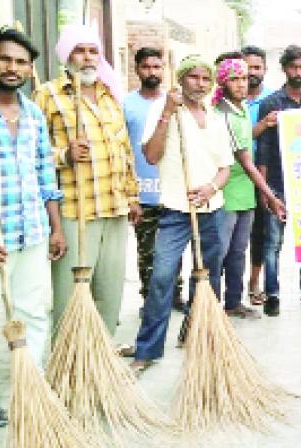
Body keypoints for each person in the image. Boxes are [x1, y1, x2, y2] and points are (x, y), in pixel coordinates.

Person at [0, 27, 66, 427]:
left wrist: (55, 226)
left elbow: (46, 172)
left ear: (30, 70)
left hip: (31, 230)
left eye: (21, 62)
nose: (12, 68)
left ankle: (32, 384)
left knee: (34, 311)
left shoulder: (33, 113)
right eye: (5, 59)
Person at [129, 55, 234, 374]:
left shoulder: (216, 117)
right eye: (194, 77)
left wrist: (210, 189)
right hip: (175, 209)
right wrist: (167, 113)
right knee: (161, 277)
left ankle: (197, 335)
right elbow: (150, 155)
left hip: (211, 209)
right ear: (182, 78)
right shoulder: (164, 111)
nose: (200, 84)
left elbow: (225, 167)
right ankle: (147, 349)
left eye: (206, 79)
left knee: (208, 278)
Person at [34, 24, 140, 336]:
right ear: (67, 56)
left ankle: (101, 363)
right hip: (74, 211)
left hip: (115, 208)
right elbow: (31, 152)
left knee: (110, 294)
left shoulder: (110, 95)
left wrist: (132, 196)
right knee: (70, 298)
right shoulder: (48, 95)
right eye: (80, 51)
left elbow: (124, 150)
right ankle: (68, 369)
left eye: (93, 51)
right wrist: (64, 155)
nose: (87, 57)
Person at [212, 56, 284, 319]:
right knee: (218, 254)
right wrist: (272, 196)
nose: (241, 84)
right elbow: (245, 160)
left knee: (238, 253)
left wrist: (263, 125)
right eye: (235, 79)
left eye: (244, 78)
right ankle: (209, 306)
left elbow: (245, 139)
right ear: (223, 81)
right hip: (227, 191)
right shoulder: (221, 113)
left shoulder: (240, 109)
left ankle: (233, 302)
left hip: (245, 191)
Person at [257, 45, 301, 316]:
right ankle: (272, 294)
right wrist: (265, 191)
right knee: (273, 242)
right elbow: (262, 149)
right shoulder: (271, 103)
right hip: (277, 182)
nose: (299, 73)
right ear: (284, 69)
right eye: (294, 67)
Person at [122, 47, 184, 311]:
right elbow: (122, 149)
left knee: (173, 251)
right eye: (146, 67)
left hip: (172, 191)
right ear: (137, 70)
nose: (152, 72)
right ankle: (151, 301)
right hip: (142, 193)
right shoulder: (126, 104)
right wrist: (129, 195)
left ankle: (175, 296)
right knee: (147, 253)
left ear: (164, 69)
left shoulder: (175, 103)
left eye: (157, 67)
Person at [243, 45, 275, 306]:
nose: (252, 72)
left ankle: (254, 283)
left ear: (265, 70)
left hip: (264, 175)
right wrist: (263, 125)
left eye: (257, 67)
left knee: (261, 233)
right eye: (247, 67)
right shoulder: (224, 100)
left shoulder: (274, 100)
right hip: (232, 177)